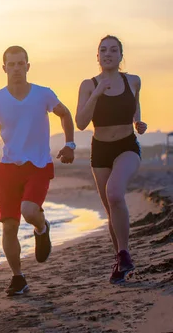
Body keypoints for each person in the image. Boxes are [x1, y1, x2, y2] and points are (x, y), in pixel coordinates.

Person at [0, 45, 75, 296]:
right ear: (4, 68)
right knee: (9, 226)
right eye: (11, 64)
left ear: (28, 66)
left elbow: (65, 114)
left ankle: (42, 228)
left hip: (38, 165)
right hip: (8, 169)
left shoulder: (43, 95)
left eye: (21, 64)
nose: (16, 68)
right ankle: (18, 277)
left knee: (29, 210)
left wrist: (70, 144)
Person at [75, 35, 146, 284]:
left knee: (115, 193)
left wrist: (139, 122)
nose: (108, 54)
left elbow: (135, 106)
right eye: (103, 50)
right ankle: (120, 260)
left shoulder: (133, 81)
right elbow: (81, 123)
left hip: (127, 146)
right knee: (110, 210)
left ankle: (125, 253)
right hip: (101, 150)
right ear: (97, 56)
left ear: (120, 55)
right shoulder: (88, 84)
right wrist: (96, 94)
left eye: (113, 50)